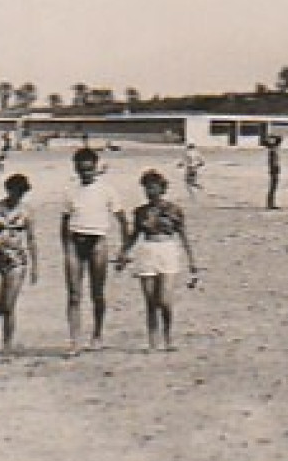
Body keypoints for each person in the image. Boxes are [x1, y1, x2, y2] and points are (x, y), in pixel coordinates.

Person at [118, 169, 200, 351]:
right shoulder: (140, 212)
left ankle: (168, 337)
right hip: (147, 250)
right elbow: (134, 235)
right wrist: (123, 253)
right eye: (147, 188)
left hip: (168, 250)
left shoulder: (174, 210)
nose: (150, 192)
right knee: (150, 300)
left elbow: (183, 235)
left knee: (164, 299)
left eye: (154, 188)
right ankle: (153, 340)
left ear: (162, 189)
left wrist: (192, 261)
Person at [60, 147, 131, 354]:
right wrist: (66, 248)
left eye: (89, 170)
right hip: (75, 242)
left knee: (97, 293)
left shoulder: (107, 190)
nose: (86, 174)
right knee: (74, 294)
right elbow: (64, 221)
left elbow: (123, 220)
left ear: (96, 168)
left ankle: (97, 334)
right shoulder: (69, 191)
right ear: (75, 169)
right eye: (81, 170)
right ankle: (75, 339)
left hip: (98, 242)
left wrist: (124, 250)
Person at [0, 173, 38, 361]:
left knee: (8, 306)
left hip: (17, 261)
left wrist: (35, 265)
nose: (17, 195)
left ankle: (7, 346)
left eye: (21, 192)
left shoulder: (27, 211)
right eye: (14, 191)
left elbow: (31, 239)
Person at [264, 135, 282, 209]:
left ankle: (271, 203)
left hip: (274, 170)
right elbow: (279, 139)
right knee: (273, 187)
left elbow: (279, 139)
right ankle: (270, 204)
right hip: (273, 171)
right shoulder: (272, 151)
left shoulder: (273, 150)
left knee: (273, 187)